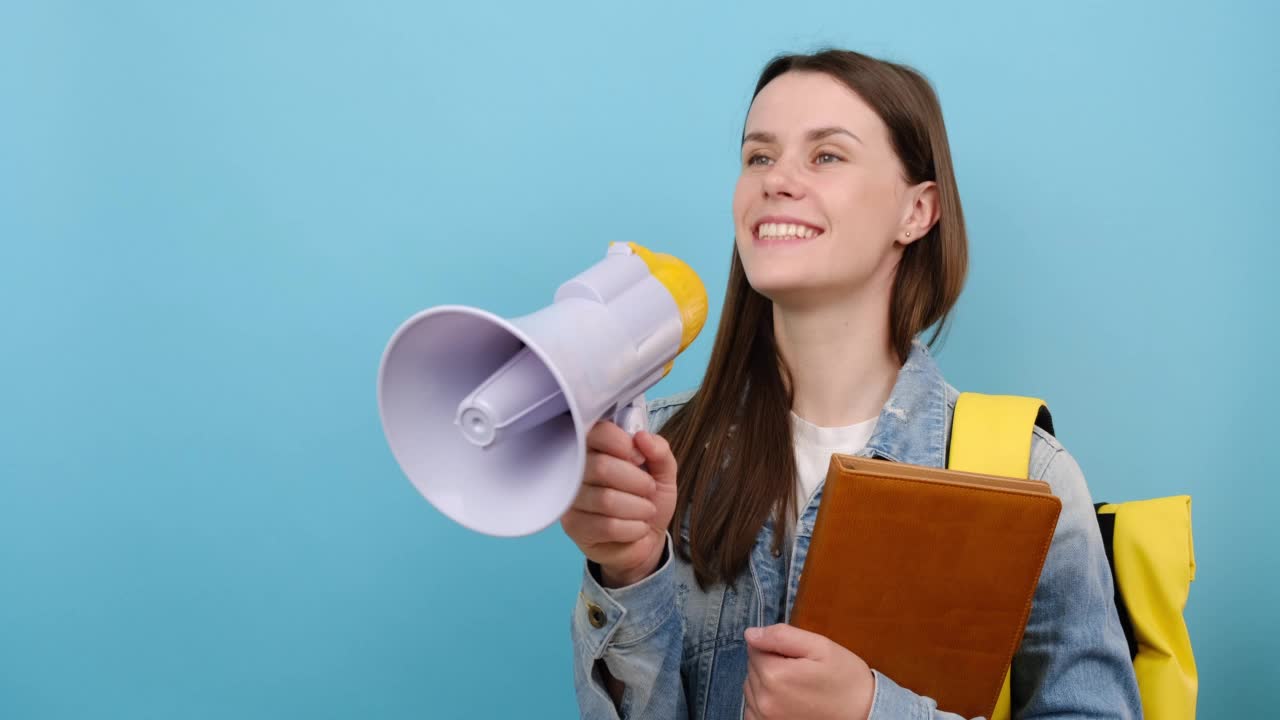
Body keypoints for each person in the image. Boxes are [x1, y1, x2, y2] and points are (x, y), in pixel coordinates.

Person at [561, 48, 1141, 720]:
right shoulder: (658, 452)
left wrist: (875, 710)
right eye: (759, 156)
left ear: (917, 212)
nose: (776, 181)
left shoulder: (1026, 475)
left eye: (826, 156)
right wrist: (628, 574)